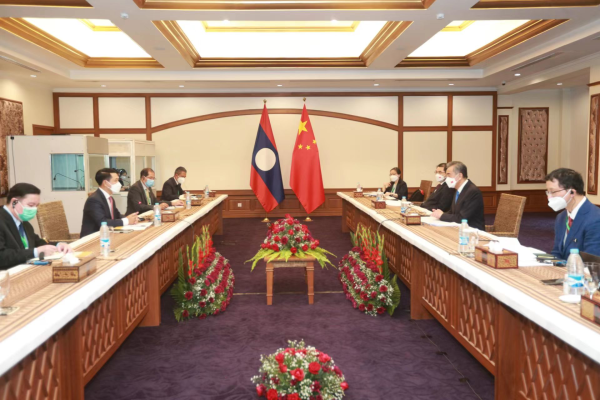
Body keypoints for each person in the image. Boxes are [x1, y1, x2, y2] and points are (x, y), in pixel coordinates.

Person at [0, 183, 72, 269]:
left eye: (37, 206)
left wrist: (58, 245)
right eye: (31, 205)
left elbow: (37, 243)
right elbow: (2, 256)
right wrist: (35, 252)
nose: (35, 209)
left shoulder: (24, 222)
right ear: (14, 202)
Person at [546, 168, 600, 260]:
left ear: (572, 192)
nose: (549, 197)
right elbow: (557, 252)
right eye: (547, 192)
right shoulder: (561, 217)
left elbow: (591, 261)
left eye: (553, 192)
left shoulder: (595, 219)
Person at [80, 168, 138, 237]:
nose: (119, 184)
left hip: (107, 234)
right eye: (115, 180)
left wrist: (131, 218)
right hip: (92, 238)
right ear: (105, 183)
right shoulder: (94, 200)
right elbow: (103, 222)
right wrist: (127, 221)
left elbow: (117, 215)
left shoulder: (110, 198)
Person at [431, 161, 485, 231]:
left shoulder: (472, 191)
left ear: (459, 176)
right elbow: (453, 212)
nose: (446, 178)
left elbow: (462, 218)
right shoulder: (458, 189)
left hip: (472, 232)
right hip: (459, 229)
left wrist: (442, 215)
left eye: (449, 175)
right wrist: (440, 213)